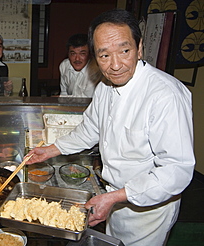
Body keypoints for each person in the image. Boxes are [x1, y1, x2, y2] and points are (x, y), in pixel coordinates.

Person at [26, 9, 195, 246]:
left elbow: (176, 170)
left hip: (148, 210)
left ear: (140, 48)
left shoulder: (165, 94)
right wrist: (51, 149)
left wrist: (116, 196)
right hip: (113, 197)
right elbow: (90, 129)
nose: (115, 65)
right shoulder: (105, 86)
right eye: (104, 56)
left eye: (124, 51)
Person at [59, 33, 102, 97]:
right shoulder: (64, 66)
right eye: (73, 54)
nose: (77, 59)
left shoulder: (94, 70)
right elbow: (64, 92)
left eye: (82, 54)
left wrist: (61, 98)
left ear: (90, 54)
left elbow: (87, 98)